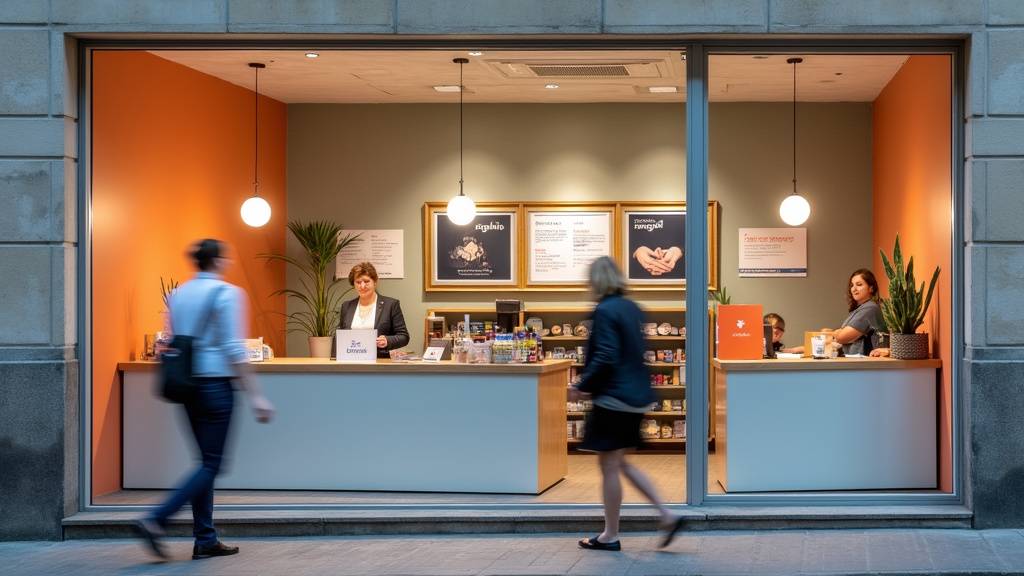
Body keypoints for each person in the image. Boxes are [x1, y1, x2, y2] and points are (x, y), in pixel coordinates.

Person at [135, 239, 275, 561]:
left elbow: (171, 339)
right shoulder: (227, 293)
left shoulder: (179, 294)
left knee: (204, 464)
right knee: (212, 463)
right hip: (215, 386)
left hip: (186, 386)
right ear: (219, 261)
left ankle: (205, 538)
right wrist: (256, 395)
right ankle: (157, 518)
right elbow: (234, 348)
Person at [570, 256, 685, 551]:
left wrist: (582, 385)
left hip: (614, 398)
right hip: (636, 396)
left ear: (597, 281)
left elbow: (607, 354)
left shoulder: (604, 310)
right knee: (618, 462)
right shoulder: (633, 308)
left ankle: (610, 534)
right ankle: (666, 515)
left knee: (609, 464)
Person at [338, 261, 409, 358]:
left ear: (375, 282)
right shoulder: (346, 306)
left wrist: (387, 340)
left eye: (367, 281)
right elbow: (342, 336)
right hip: (351, 361)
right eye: (358, 282)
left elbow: (404, 336)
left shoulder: (391, 305)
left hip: (379, 363)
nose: (362, 286)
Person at [822, 268, 886, 356]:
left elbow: (842, 337)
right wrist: (835, 333)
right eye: (852, 285)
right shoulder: (860, 308)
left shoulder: (870, 308)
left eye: (859, 285)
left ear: (871, 288)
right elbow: (841, 335)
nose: (854, 289)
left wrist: (832, 333)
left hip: (866, 364)